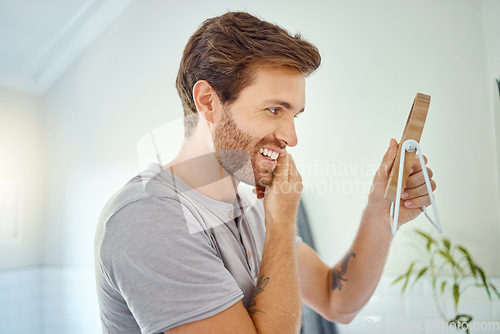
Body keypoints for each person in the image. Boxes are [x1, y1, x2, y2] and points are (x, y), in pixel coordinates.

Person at [94, 11, 437, 334]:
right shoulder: (149, 217)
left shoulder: (252, 211)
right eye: (274, 109)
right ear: (208, 101)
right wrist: (283, 221)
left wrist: (381, 214)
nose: (291, 137)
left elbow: (337, 302)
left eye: (294, 115)